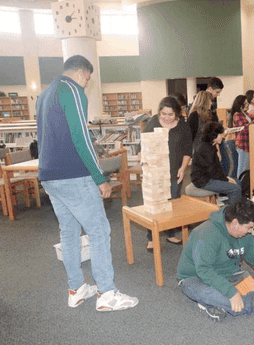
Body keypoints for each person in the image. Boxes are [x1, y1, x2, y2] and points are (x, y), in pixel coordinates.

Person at [36, 55, 138, 311]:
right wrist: (99, 177)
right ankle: (107, 293)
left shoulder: (46, 93)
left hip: (49, 176)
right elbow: (81, 137)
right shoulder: (73, 90)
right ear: (82, 73)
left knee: (69, 232)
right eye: (88, 78)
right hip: (73, 176)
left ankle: (76, 289)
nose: (86, 83)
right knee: (99, 232)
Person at [177, 198, 254, 321]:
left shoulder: (244, 235)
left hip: (228, 274)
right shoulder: (205, 235)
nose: (251, 231)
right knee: (212, 294)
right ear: (235, 223)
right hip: (195, 278)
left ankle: (218, 305)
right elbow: (204, 271)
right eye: (249, 227)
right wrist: (232, 293)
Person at [142, 96, 192, 250]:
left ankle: (170, 234)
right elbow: (143, 147)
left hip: (174, 170)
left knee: (173, 202)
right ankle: (151, 237)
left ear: (177, 113)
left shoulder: (183, 126)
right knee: (155, 204)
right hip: (156, 171)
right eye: (164, 114)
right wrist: (145, 164)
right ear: (159, 112)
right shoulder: (153, 123)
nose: (167, 118)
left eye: (171, 115)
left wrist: (183, 169)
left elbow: (187, 150)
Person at [191, 122, 242, 206]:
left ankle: (236, 208)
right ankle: (232, 215)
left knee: (237, 182)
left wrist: (226, 178)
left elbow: (216, 167)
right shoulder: (205, 149)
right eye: (221, 134)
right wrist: (226, 179)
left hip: (208, 177)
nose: (223, 136)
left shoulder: (211, 145)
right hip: (203, 181)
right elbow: (212, 171)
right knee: (235, 189)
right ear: (215, 135)